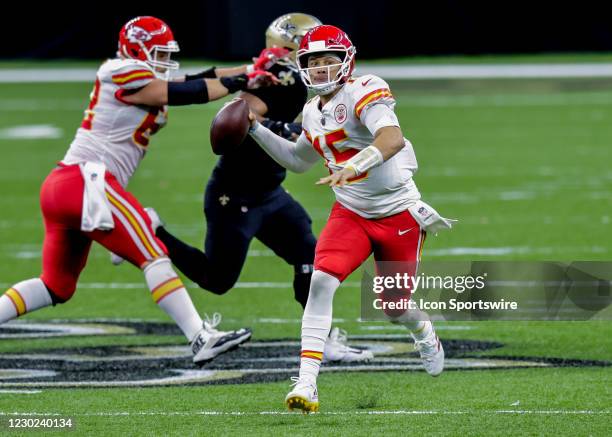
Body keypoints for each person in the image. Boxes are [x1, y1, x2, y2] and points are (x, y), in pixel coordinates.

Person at [0, 16, 277, 366]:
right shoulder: (120, 69)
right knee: (154, 252)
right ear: (135, 49)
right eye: (157, 52)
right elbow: (181, 92)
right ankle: (199, 337)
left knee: (57, 285)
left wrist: (253, 68)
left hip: (67, 186)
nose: (164, 60)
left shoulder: (139, 73)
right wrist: (242, 80)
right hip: (88, 180)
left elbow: (196, 77)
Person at [247, 25, 456, 413]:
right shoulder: (311, 110)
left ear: (347, 62)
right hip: (352, 214)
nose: (323, 70)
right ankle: (306, 383)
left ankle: (423, 330)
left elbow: (391, 139)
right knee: (321, 282)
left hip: (398, 214)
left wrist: (354, 166)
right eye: (314, 63)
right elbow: (297, 159)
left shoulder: (365, 89)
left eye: (330, 61)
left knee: (394, 307)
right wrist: (254, 128)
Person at [142, 13, 372, 363]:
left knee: (310, 256)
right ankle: (153, 230)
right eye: (314, 52)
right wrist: (290, 131)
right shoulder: (278, 81)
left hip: (272, 192)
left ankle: (321, 340)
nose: (322, 61)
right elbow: (232, 123)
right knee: (216, 279)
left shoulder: (295, 79)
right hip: (235, 197)